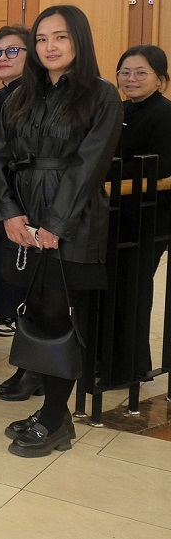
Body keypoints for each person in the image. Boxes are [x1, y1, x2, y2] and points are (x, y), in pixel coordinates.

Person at [0, 4, 122, 458]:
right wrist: (8, 213)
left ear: (79, 41)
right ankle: (54, 412)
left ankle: (55, 417)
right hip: (24, 220)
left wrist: (56, 225)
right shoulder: (19, 96)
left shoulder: (101, 95)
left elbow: (89, 166)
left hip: (74, 222)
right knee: (37, 315)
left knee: (62, 317)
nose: (49, 47)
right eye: (42, 39)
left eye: (60, 38)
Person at [108, 45, 171, 387]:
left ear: (161, 79)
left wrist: (104, 172)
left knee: (132, 291)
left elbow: (160, 166)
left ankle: (129, 367)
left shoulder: (164, 113)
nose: (130, 79)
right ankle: (111, 361)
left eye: (140, 72)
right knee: (113, 290)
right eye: (124, 72)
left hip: (147, 220)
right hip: (114, 215)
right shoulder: (118, 109)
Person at [0, 25, 35, 396]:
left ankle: (35, 369)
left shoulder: (33, 95)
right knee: (19, 289)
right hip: (9, 204)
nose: (2, 59)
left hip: (32, 205)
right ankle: (27, 365)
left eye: (12, 51)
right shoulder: (8, 95)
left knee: (33, 292)